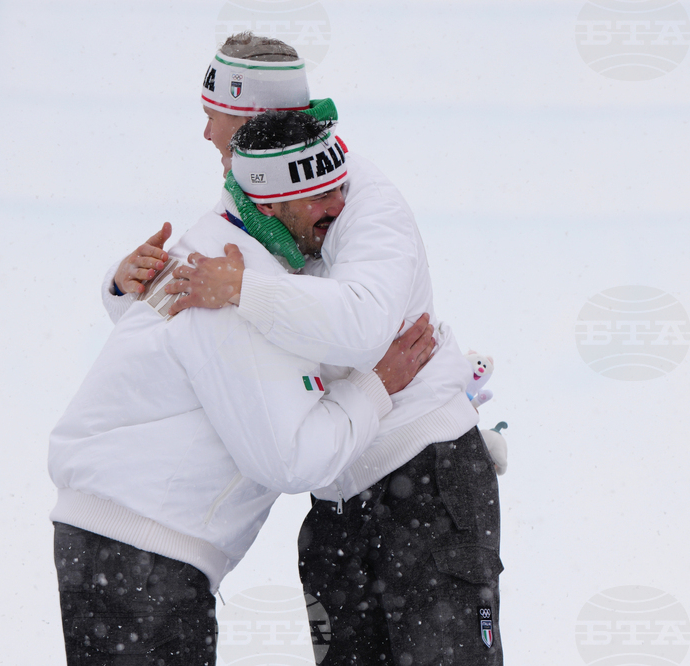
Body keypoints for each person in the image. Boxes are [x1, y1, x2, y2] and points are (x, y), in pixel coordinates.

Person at [106, 34, 504, 666]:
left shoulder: (357, 196)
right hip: (338, 505)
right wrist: (127, 291)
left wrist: (242, 291)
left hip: (424, 475)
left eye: (217, 115)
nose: (206, 133)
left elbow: (364, 326)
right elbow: (188, 310)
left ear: (256, 121)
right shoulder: (250, 200)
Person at [48, 113, 437, 664]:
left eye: (340, 186)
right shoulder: (231, 287)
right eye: (316, 196)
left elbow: (158, 350)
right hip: (146, 559)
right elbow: (293, 460)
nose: (338, 206)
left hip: (111, 546)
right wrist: (379, 387)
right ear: (271, 207)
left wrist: (118, 288)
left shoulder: (212, 252)